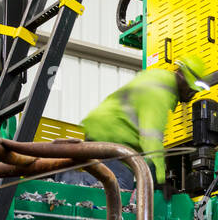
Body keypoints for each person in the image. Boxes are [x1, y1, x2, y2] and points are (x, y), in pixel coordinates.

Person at [79, 55, 210, 189]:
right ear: (182, 78)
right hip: (105, 134)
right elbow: (150, 139)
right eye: (191, 89)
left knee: (122, 179)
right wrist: (161, 180)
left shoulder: (160, 81)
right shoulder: (160, 94)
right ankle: (69, 180)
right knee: (121, 182)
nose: (192, 95)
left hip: (111, 136)